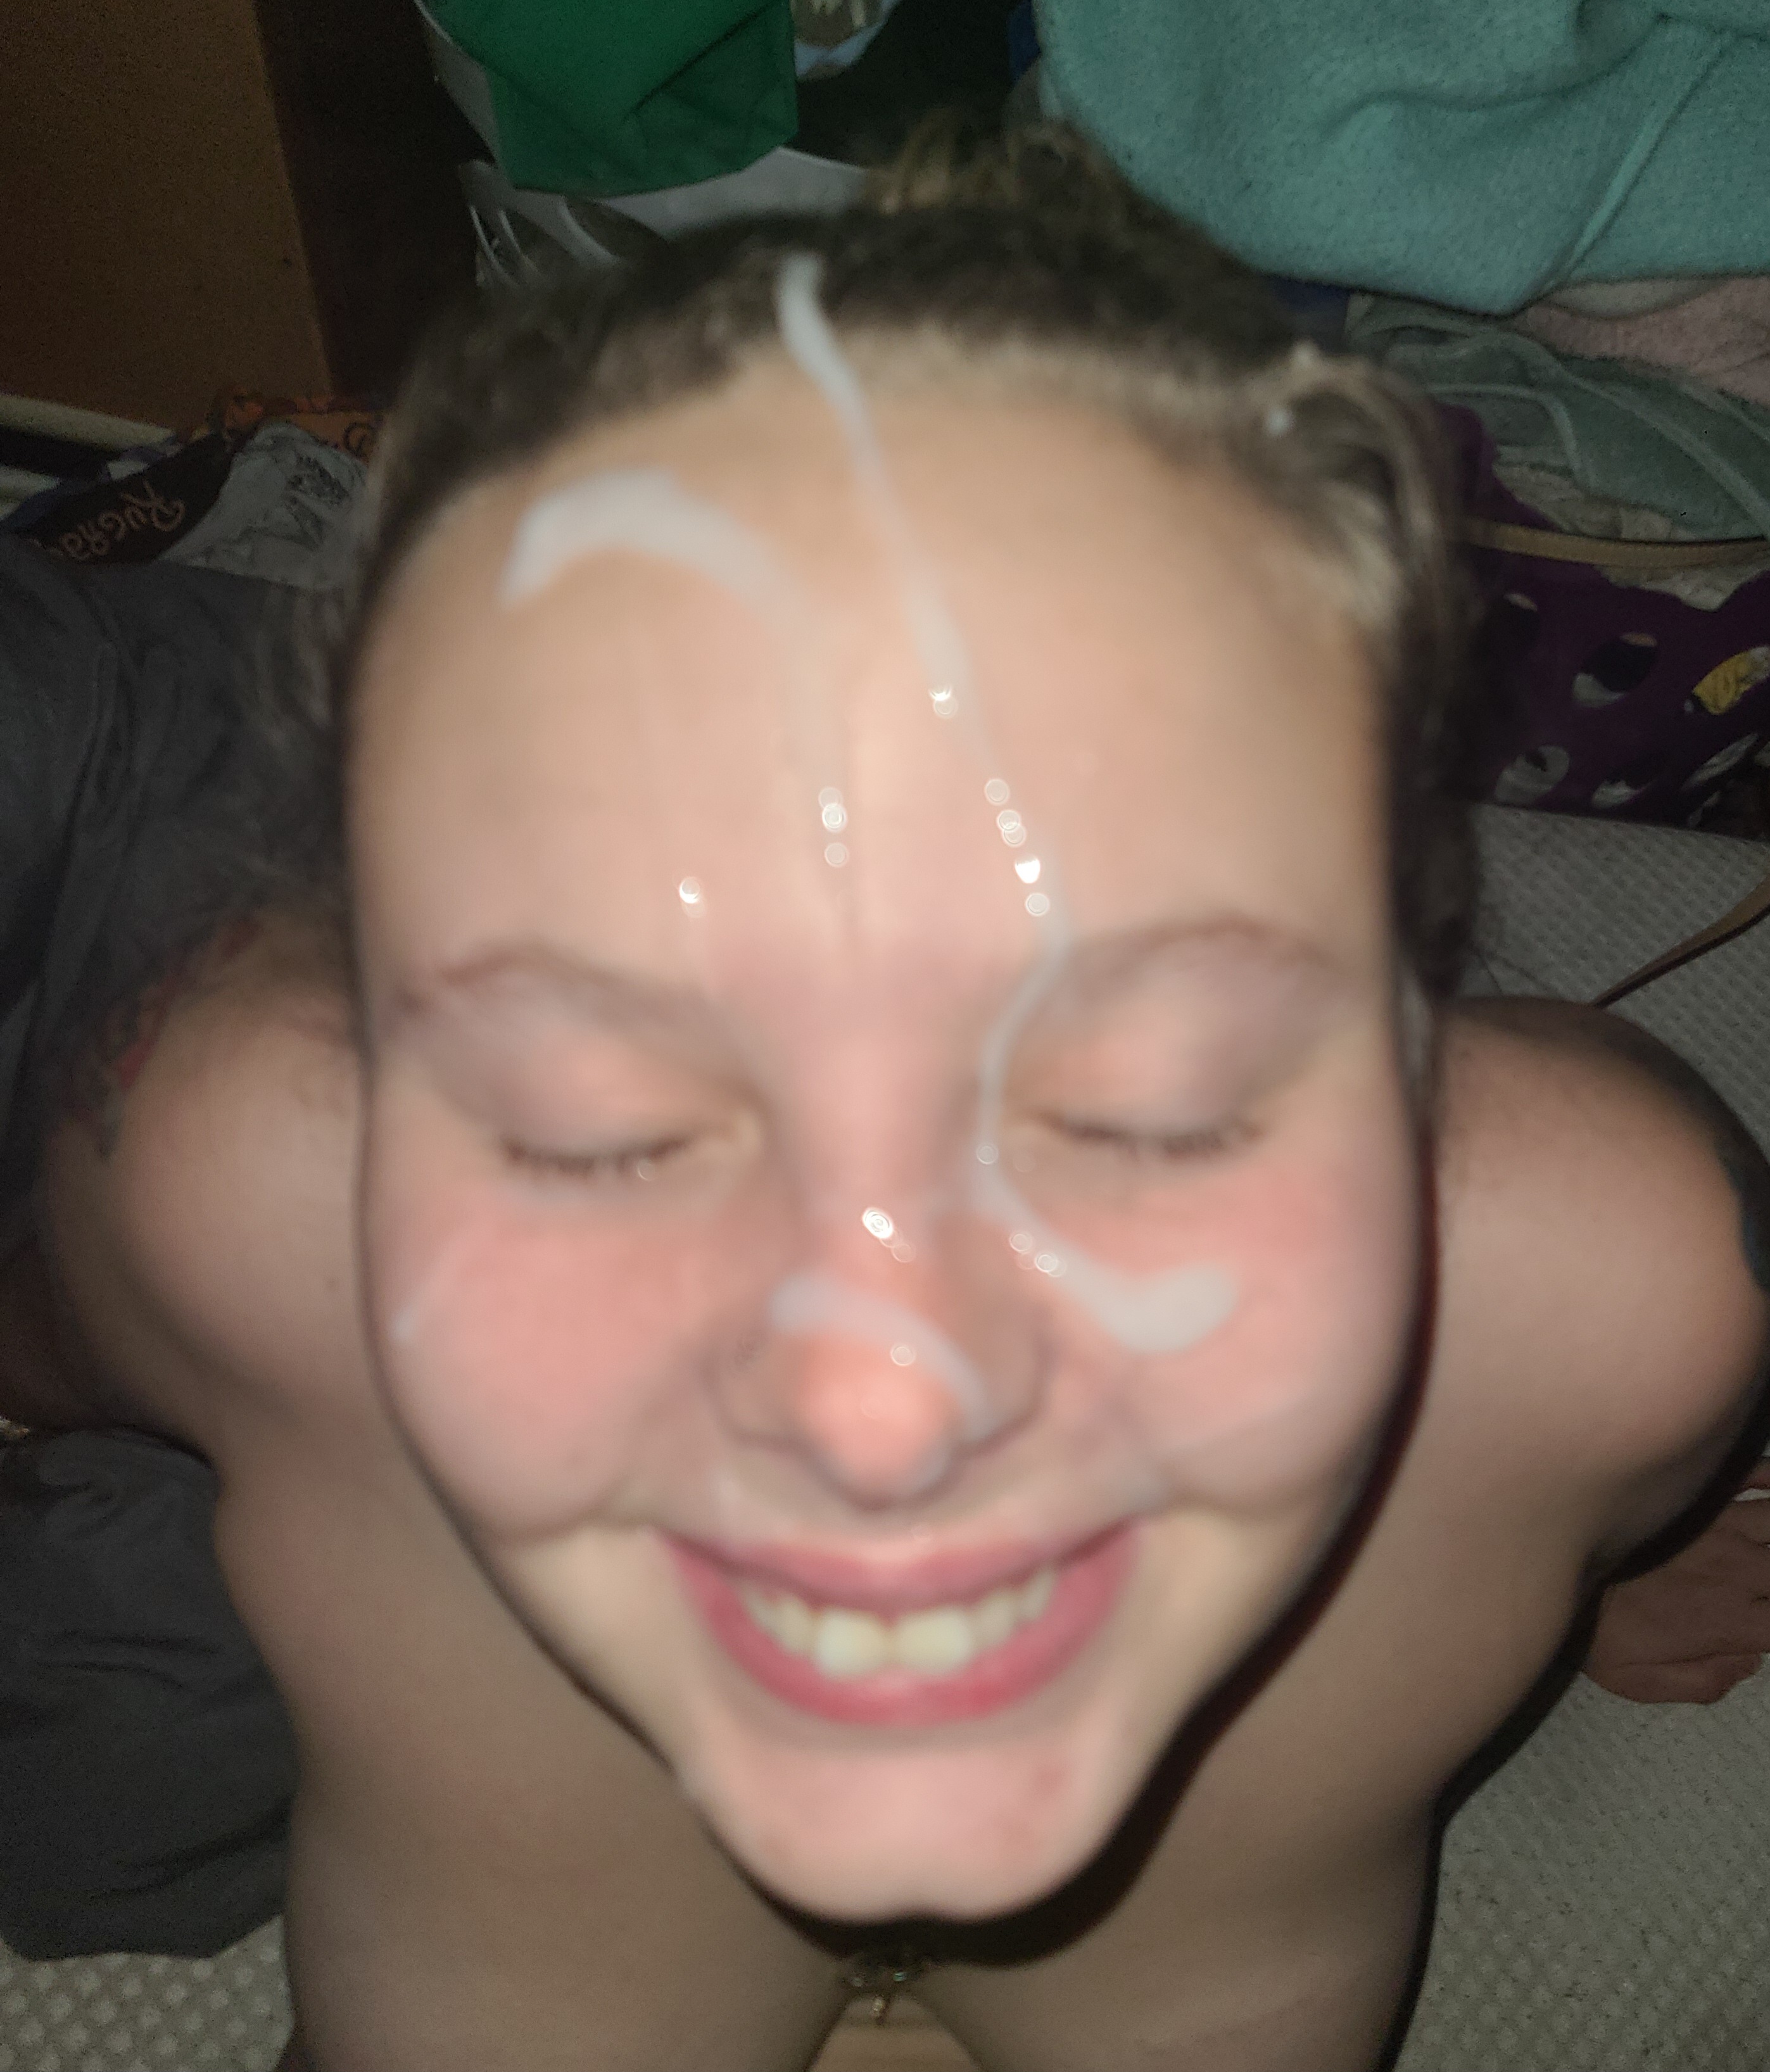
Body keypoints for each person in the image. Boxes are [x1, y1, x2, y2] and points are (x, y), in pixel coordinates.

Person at [8, 129, 1770, 2072]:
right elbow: (64, 1345)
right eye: (605, 1123)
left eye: (1149, 1107)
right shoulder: (244, 1177)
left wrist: (1590, 1539)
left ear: (1409, 1052)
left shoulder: (1606, 1282)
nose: (880, 1428)